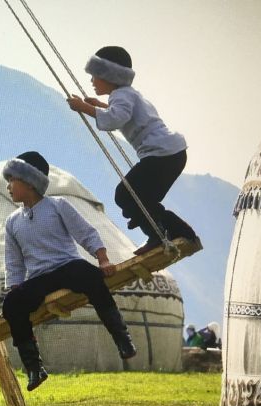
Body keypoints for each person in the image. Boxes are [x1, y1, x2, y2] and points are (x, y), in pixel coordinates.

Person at [2, 151, 137, 391]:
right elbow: (13, 261)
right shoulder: (12, 221)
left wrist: (103, 260)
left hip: (66, 266)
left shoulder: (57, 205)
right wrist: (16, 290)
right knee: (12, 304)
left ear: (30, 182)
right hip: (38, 278)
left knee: (90, 276)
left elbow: (86, 232)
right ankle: (34, 367)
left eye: (12, 180)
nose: (8, 186)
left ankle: (122, 338)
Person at [67, 46, 197, 255]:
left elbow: (114, 119)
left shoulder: (120, 96)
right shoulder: (127, 95)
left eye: (94, 76)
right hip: (171, 154)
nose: (91, 81)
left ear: (108, 76)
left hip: (161, 154)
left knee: (126, 194)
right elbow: (123, 113)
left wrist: (84, 108)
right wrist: (100, 105)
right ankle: (177, 231)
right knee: (143, 198)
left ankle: (159, 235)